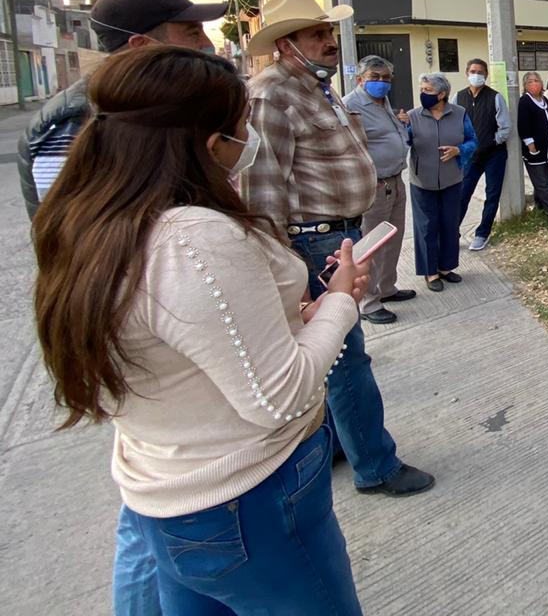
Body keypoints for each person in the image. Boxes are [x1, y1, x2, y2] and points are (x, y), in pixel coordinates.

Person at [33, 46, 365, 614]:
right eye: (242, 129)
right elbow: (278, 395)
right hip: (247, 500)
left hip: (169, 490)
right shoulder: (194, 242)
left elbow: (193, 346)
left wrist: (289, 325)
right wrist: (338, 304)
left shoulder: (88, 218)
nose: (248, 143)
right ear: (211, 145)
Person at [240, 0, 434, 499]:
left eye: (328, 31)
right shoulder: (272, 95)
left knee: (339, 359)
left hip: (342, 235)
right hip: (311, 243)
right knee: (346, 360)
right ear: (286, 44)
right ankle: (376, 466)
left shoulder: (316, 86)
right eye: (317, 34)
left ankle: (341, 443)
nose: (330, 41)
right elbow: (262, 190)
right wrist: (287, 274)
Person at [18, 0, 227, 219]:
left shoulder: (152, 102)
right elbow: (69, 231)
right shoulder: (77, 119)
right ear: (141, 46)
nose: (208, 45)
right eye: (193, 33)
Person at [343, 55, 416, 324]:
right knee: (370, 246)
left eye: (386, 78)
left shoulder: (383, 102)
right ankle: (369, 302)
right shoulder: (351, 105)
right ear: (360, 79)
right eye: (375, 77)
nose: (381, 82)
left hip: (394, 180)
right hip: (374, 186)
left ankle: (386, 288)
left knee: (392, 240)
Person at [407, 73, 476, 292]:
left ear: (442, 93)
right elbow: (402, 142)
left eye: (427, 90)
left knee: (449, 223)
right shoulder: (413, 116)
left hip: (452, 179)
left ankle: (446, 267)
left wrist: (459, 150)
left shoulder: (459, 114)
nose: (422, 94)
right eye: (421, 89)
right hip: (422, 180)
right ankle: (430, 272)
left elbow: (473, 140)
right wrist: (399, 128)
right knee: (426, 227)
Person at [456, 58, 511, 253]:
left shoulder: (495, 97)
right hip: (470, 156)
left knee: (492, 194)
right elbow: (455, 125)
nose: (476, 75)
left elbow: (505, 128)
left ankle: (482, 233)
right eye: (473, 71)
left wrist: (490, 142)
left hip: (494, 155)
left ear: (486, 75)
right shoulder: (458, 97)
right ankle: (453, 232)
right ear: (466, 73)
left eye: (480, 72)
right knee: (462, 194)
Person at [516, 71, 548, 226]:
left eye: (537, 80)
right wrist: (530, 145)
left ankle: (539, 206)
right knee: (542, 184)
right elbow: (523, 125)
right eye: (530, 81)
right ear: (525, 85)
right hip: (534, 151)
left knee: (544, 181)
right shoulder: (525, 101)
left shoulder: (544, 100)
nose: (534, 83)